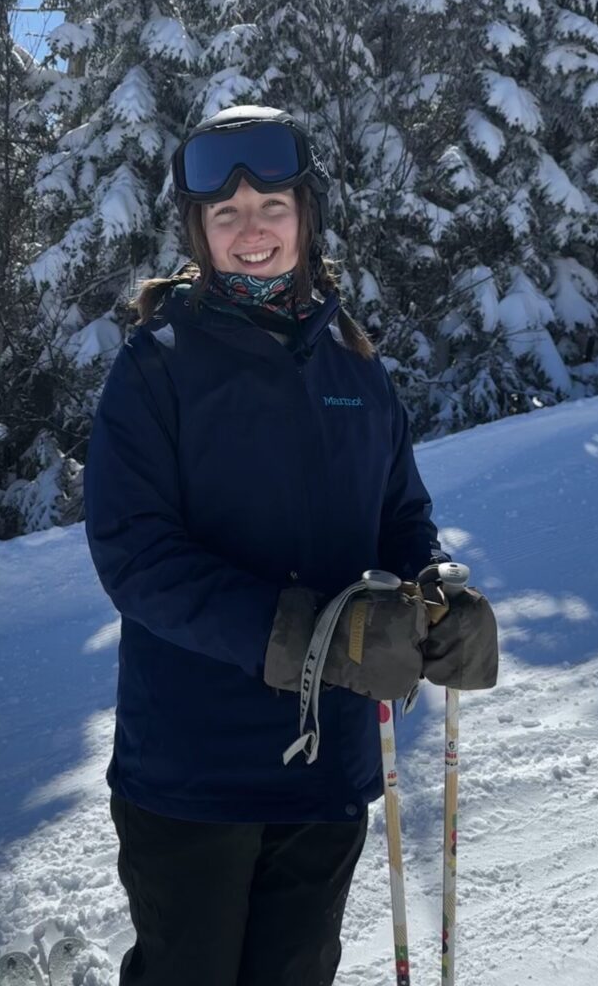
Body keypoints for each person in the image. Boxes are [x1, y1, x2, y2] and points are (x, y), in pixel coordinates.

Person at [83, 105, 497, 986]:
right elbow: (135, 557)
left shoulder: (355, 366)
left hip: (330, 770)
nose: (252, 230)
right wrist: (312, 639)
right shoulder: (156, 366)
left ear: (307, 216)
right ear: (197, 231)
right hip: (193, 768)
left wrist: (438, 598)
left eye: (272, 205)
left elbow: (400, 518)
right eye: (225, 214)